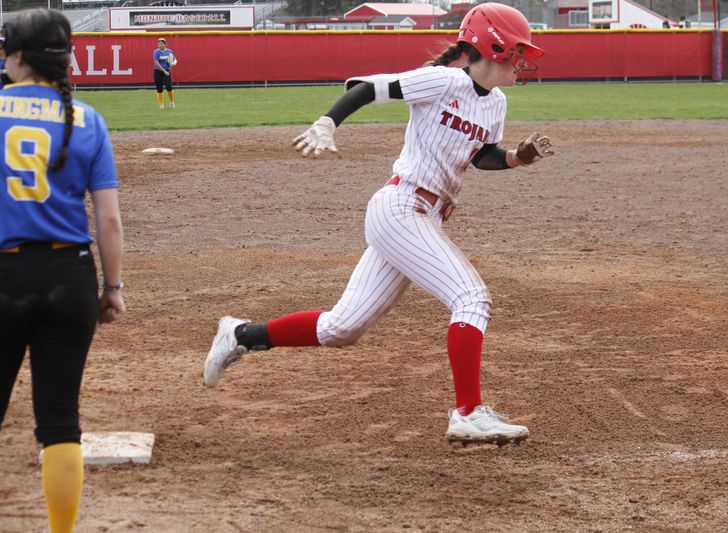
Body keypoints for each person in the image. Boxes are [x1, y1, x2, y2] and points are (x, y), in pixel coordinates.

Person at [204, 2, 554, 446]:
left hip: (423, 218)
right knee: (471, 298)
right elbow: (368, 87)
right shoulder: (444, 80)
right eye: (517, 49)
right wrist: (327, 123)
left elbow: (480, 155)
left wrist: (514, 159)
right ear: (494, 45)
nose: (523, 60)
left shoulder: (496, 103)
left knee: (341, 327)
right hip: (400, 206)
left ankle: (239, 334)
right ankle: (468, 412)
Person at [0, 9, 125, 533]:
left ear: (20, 56)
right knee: (59, 423)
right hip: (70, 274)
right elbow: (110, 220)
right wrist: (112, 287)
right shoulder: (86, 118)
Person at [153, 37, 177, 109]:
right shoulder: (156, 52)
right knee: (159, 89)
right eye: (159, 44)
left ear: (165, 44)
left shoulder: (169, 51)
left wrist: (173, 63)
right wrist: (164, 71)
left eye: (161, 44)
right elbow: (156, 63)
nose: (160, 45)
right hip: (158, 72)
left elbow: (175, 60)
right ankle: (161, 105)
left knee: (169, 87)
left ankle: (172, 102)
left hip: (167, 71)